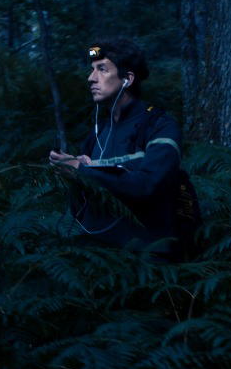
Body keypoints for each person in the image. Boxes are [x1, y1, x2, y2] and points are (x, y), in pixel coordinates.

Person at [48, 40, 201, 262]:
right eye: (92, 69)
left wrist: (83, 171)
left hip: (148, 259)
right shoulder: (97, 134)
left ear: (127, 79)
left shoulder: (158, 126)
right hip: (99, 257)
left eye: (102, 69)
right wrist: (72, 173)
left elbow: (149, 185)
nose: (91, 78)